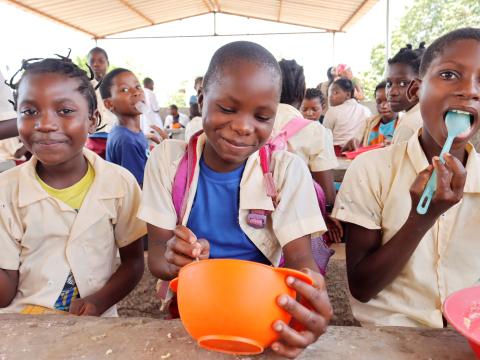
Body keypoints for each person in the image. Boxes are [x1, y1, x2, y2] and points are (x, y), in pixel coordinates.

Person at [139, 41, 332, 358]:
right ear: (202, 101)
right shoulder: (167, 161)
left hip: (264, 313)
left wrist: (310, 300)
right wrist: (177, 259)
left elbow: (300, 262)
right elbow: (158, 257)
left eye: (262, 116)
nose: (243, 126)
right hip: (193, 312)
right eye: (227, 109)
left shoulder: (287, 171)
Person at [332, 27, 480, 328]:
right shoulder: (372, 170)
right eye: (450, 74)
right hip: (391, 336)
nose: (471, 90)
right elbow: (362, 287)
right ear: (417, 90)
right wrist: (421, 219)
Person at [0, 56, 145, 316]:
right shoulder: (6, 190)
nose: (44, 124)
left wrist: (100, 301)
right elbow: (5, 292)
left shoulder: (119, 184)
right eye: (29, 112)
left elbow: (133, 261)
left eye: (65, 111)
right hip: (22, 331)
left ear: (92, 119)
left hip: (93, 331)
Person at [276, 59, 341, 242]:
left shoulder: (255, 124)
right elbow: (327, 193)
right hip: (298, 222)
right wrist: (330, 213)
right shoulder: (315, 130)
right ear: (303, 91)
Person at [101, 68, 149, 188]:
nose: (136, 92)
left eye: (138, 86)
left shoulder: (129, 133)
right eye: (125, 89)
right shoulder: (126, 140)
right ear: (109, 104)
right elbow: (137, 187)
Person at [342, 81, 399, 151]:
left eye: (388, 100)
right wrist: (354, 141)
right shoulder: (369, 122)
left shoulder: (404, 122)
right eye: (379, 102)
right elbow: (357, 137)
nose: (383, 106)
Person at [388, 43, 426, 144]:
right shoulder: (429, 115)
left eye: (403, 83)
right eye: (389, 84)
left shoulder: (408, 124)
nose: (392, 92)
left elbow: (395, 160)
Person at [85, 47, 117, 159]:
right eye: (92, 61)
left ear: (107, 63)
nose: (96, 64)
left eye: (101, 61)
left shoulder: (116, 85)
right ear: (87, 64)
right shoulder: (84, 87)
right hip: (93, 138)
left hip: (115, 135)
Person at [323, 78, 371, 150]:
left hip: (336, 153)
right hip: (359, 153)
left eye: (335, 92)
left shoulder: (332, 111)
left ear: (348, 95)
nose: (330, 96)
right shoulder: (366, 110)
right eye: (330, 93)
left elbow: (324, 137)